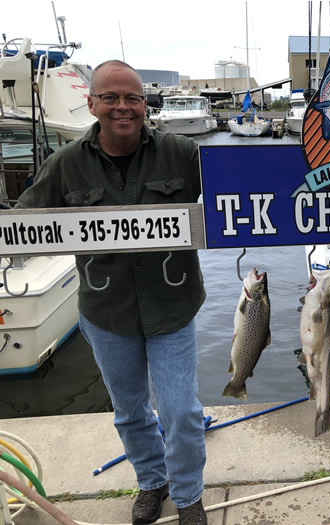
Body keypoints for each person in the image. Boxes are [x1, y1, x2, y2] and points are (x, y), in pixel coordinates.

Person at [15, 60, 208, 525]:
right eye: (111, 98)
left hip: (173, 306)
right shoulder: (64, 164)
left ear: (146, 103)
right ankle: (151, 482)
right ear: (92, 102)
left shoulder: (182, 153)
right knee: (130, 411)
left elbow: (237, 194)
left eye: (133, 98)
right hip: (106, 313)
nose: (123, 107)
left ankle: (188, 496)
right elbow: (22, 225)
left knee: (182, 413)